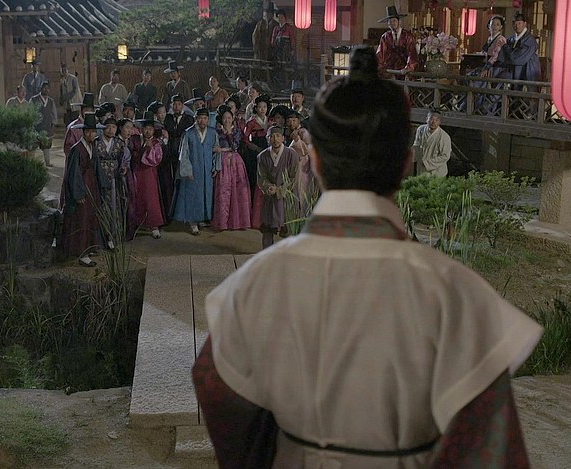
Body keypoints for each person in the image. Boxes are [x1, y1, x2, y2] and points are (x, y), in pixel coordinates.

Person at [192, 45, 542, 468]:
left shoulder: (258, 281)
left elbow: (214, 384)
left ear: (314, 161)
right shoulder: (453, 293)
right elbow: (489, 448)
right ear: (405, 163)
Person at [61, 112, 104, 267]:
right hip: (82, 186)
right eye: (89, 132)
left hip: (92, 186)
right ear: (84, 132)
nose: (92, 134)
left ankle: (90, 246)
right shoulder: (76, 149)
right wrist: (78, 193)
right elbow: (73, 173)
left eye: (94, 131)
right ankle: (82, 252)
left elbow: (97, 168)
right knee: (82, 218)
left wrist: (102, 185)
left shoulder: (93, 147)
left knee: (92, 217)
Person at [174, 108, 217, 236]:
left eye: (205, 118)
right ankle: (192, 222)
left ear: (208, 119)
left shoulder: (212, 133)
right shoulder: (189, 133)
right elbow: (184, 153)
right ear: (195, 119)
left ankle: (202, 218)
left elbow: (216, 151)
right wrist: (187, 170)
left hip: (207, 169)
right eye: (200, 118)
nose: (202, 121)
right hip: (193, 168)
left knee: (205, 194)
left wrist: (216, 167)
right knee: (193, 195)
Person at [254, 125, 298, 249]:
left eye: (278, 136)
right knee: (268, 229)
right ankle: (267, 254)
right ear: (267, 139)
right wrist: (268, 187)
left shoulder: (291, 154)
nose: (275, 139)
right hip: (270, 197)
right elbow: (261, 177)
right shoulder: (262, 156)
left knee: (288, 229)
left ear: (283, 138)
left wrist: (279, 190)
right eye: (272, 136)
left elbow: (294, 177)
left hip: (287, 197)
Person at [211, 105, 251, 231]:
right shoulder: (216, 131)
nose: (227, 120)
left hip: (235, 161)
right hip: (222, 161)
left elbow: (234, 147)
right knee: (223, 190)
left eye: (229, 117)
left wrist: (228, 134)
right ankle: (222, 222)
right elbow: (213, 147)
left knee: (237, 190)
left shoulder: (237, 131)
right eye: (224, 118)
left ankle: (238, 221)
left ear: (233, 118)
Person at [94, 113, 130, 250]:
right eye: (107, 127)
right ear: (103, 128)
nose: (110, 130)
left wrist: (124, 168)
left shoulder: (119, 143)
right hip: (99, 179)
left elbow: (125, 160)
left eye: (113, 127)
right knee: (101, 206)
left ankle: (113, 237)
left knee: (115, 207)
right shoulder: (96, 142)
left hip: (115, 180)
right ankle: (101, 239)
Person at [129, 112, 166, 239]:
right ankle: (137, 224)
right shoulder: (134, 140)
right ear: (141, 129)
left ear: (154, 130)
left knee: (151, 198)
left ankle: (154, 226)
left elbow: (157, 159)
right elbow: (131, 155)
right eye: (146, 128)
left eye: (150, 129)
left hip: (149, 174)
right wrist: (140, 151)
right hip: (136, 173)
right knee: (136, 198)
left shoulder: (156, 143)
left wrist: (149, 149)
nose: (148, 131)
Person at [162, 94, 195, 218]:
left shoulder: (189, 119)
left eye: (179, 104)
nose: (176, 106)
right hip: (170, 153)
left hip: (184, 153)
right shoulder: (168, 118)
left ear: (183, 105)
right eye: (174, 104)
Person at [501, 12, 542, 95]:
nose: (517, 26)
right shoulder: (511, 39)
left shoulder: (530, 40)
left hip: (527, 71)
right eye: (515, 23)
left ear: (524, 24)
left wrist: (506, 47)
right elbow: (504, 57)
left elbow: (517, 58)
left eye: (519, 23)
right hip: (513, 73)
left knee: (526, 97)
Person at [375, 6, 419, 79]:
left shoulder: (408, 36)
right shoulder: (385, 37)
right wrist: (381, 67)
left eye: (394, 20)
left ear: (399, 21)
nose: (392, 23)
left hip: (404, 70)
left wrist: (408, 68)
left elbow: (412, 53)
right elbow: (380, 53)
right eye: (390, 21)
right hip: (390, 70)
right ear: (388, 24)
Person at [242, 93, 271, 199]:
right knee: (255, 176)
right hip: (254, 151)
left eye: (264, 107)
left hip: (268, 149)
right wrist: (255, 148)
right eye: (260, 107)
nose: (262, 109)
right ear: (256, 108)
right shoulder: (251, 122)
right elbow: (245, 139)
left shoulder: (270, 121)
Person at [413, 110, 452, 177]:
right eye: (431, 119)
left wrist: (427, 163)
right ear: (426, 119)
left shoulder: (444, 136)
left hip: (437, 171)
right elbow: (416, 145)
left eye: (436, 120)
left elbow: (445, 156)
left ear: (439, 122)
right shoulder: (421, 129)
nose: (433, 122)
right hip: (421, 167)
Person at [29, 81, 57, 167]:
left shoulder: (51, 101)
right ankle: (31, 162)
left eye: (48, 88)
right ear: (41, 89)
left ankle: (47, 162)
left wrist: (53, 123)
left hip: (47, 127)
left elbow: (54, 113)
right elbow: (30, 112)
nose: (46, 90)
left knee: (46, 146)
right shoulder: (33, 99)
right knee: (33, 146)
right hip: (36, 127)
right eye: (44, 88)